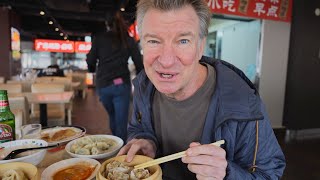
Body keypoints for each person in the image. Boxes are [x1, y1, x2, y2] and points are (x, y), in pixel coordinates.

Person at [117, 0, 286, 179]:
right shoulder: (144, 86)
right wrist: (146, 140)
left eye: (183, 41)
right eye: (153, 41)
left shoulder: (244, 103)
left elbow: (269, 174)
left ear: (200, 47)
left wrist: (226, 174)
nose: (166, 61)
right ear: (142, 43)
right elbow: (138, 127)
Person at [86, 11, 143, 142]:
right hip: (121, 84)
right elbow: (138, 62)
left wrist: (92, 69)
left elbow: (90, 60)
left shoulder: (99, 39)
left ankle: (116, 144)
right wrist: (141, 81)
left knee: (112, 115)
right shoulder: (128, 40)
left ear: (107, 24)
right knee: (121, 120)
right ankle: (120, 149)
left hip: (103, 85)